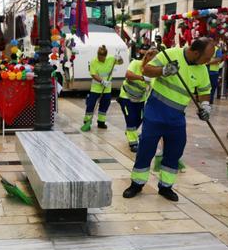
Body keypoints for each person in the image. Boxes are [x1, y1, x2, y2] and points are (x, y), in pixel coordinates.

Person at [123, 37, 214, 202]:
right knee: (146, 149)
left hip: (177, 116)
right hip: (155, 111)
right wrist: (163, 70)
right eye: (206, 57)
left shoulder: (202, 69)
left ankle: (165, 186)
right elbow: (147, 70)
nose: (208, 61)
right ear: (195, 52)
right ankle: (137, 184)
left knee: (175, 150)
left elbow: (204, 90)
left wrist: (205, 105)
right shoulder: (170, 54)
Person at [117, 48, 156, 152]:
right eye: (152, 61)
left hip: (140, 98)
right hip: (126, 96)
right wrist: (142, 78)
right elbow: (128, 75)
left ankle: (130, 132)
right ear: (146, 58)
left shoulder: (153, 71)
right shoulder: (135, 63)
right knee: (131, 118)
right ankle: (133, 142)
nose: (153, 64)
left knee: (140, 119)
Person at [81, 45, 123, 131]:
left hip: (107, 88)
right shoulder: (94, 61)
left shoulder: (111, 59)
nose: (101, 59)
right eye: (99, 57)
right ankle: (87, 121)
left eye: (102, 58)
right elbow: (93, 74)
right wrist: (102, 81)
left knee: (105, 105)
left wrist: (119, 58)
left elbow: (121, 62)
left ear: (105, 56)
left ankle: (101, 122)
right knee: (91, 104)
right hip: (96, 88)